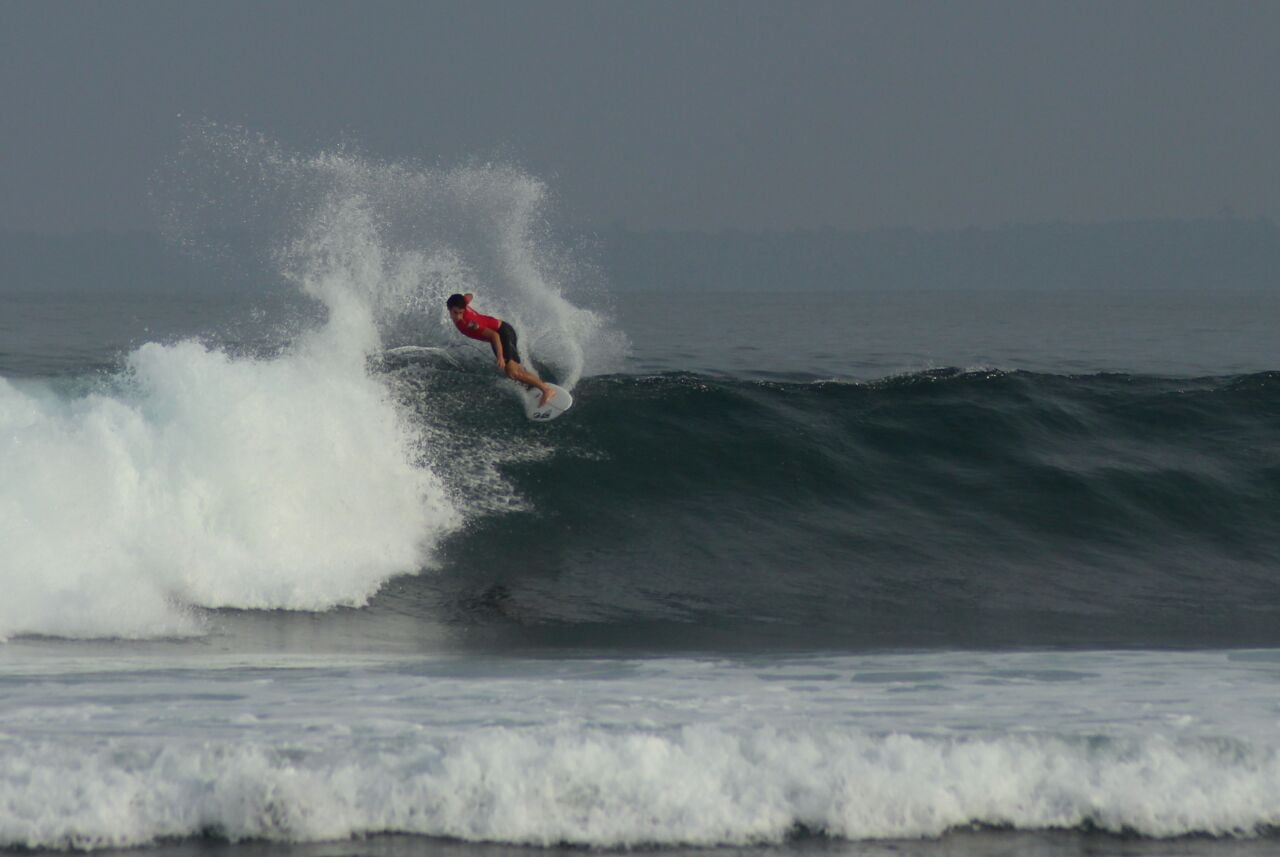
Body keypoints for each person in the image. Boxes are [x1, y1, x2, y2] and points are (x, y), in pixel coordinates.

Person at [446, 293, 556, 406]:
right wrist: (465, 299)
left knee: (512, 371)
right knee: (513, 369)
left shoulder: (469, 323)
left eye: (461, 312)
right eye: (456, 312)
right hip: (498, 336)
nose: (459, 316)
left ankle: (546, 390)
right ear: (449, 308)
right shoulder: (461, 303)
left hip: (503, 334)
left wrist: (500, 357)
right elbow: (469, 296)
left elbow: (494, 335)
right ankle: (534, 384)